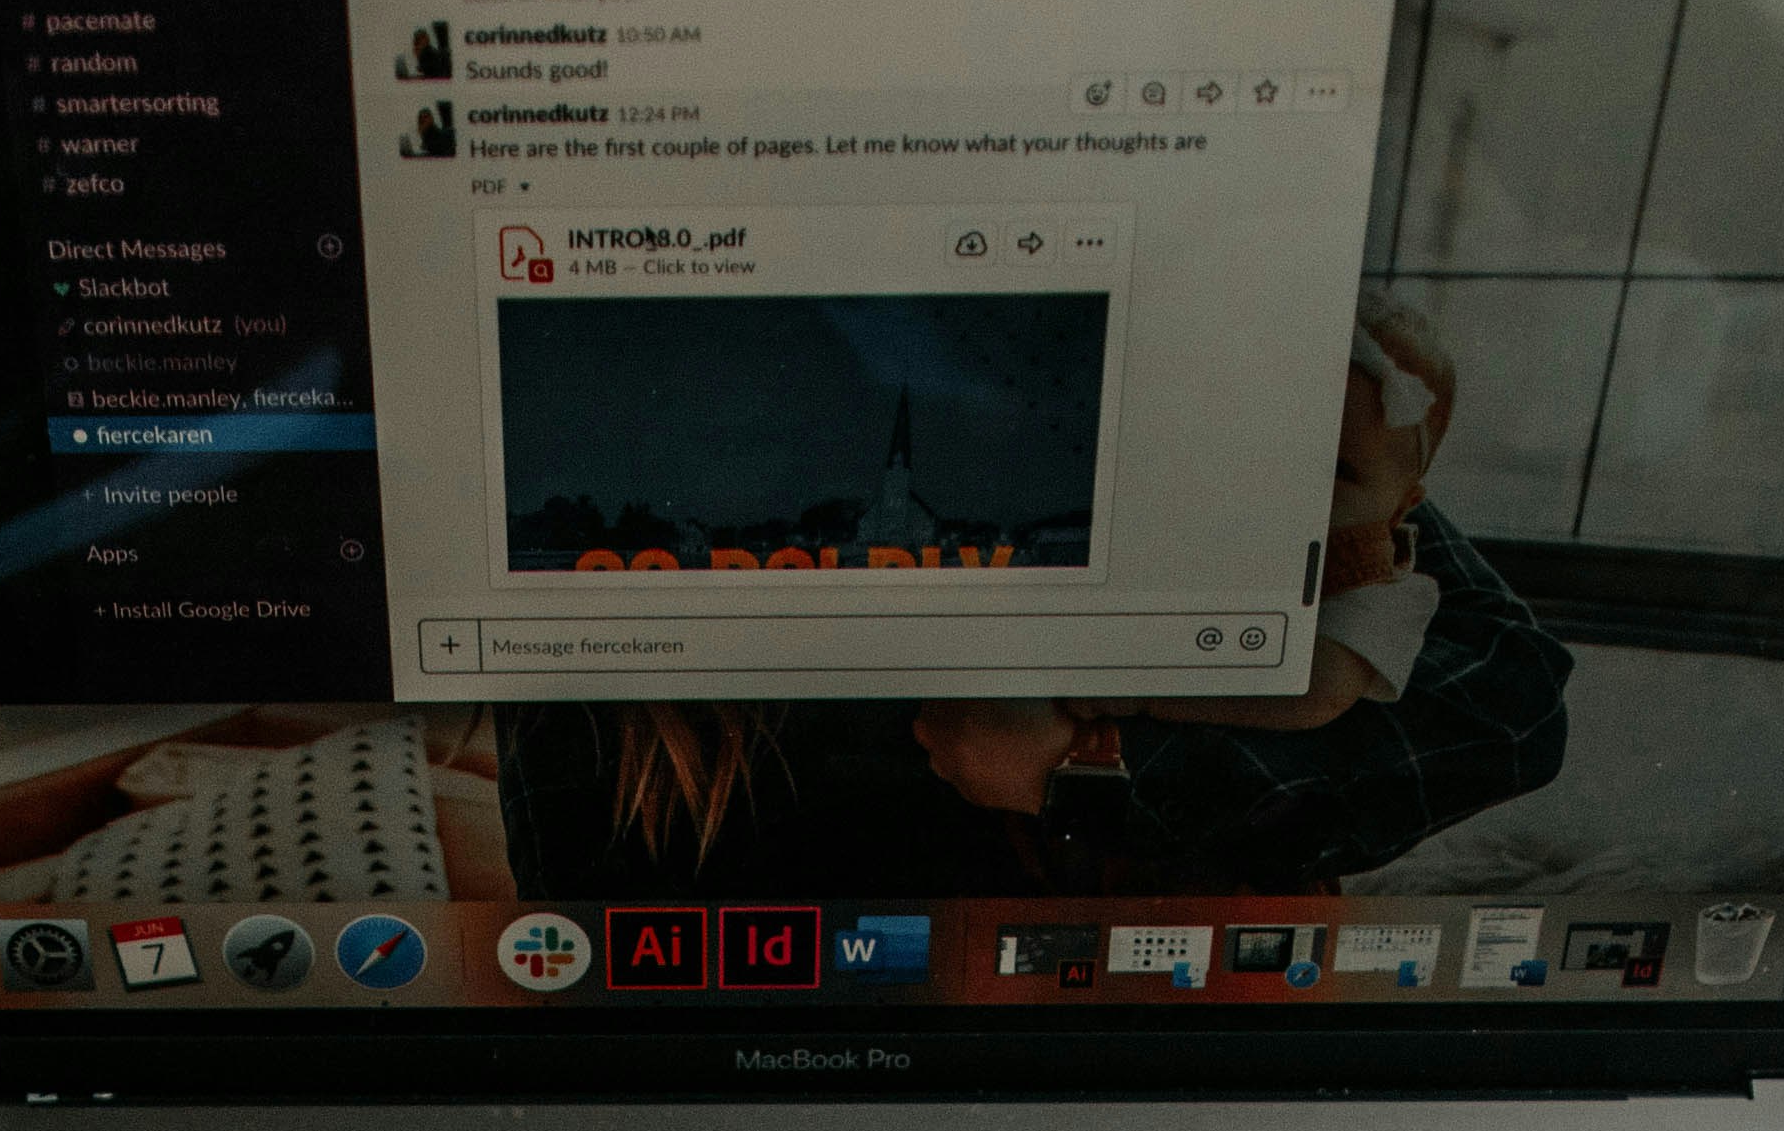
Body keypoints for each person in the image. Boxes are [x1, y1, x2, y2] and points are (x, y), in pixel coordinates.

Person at [485, 298, 1567, 898]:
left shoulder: (1223, 408)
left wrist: (1078, 773)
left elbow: (1504, 707)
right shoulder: (592, 595)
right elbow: (593, 951)